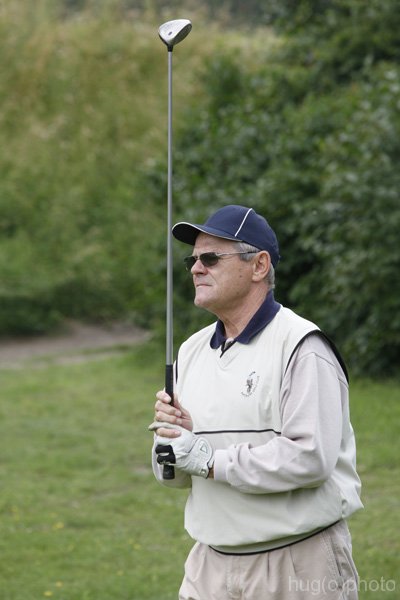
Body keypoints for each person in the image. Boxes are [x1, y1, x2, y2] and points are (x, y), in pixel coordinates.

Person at [149, 204, 363, 600]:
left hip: (296, 561)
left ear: (259, 266)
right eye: (192, 260)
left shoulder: (302, 346)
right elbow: (176, 477)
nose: (196, 269)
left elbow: (310, 458)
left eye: (211, 258)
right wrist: (172, 445)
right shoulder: (191, 350)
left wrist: (210, 461)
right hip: (209, 564)